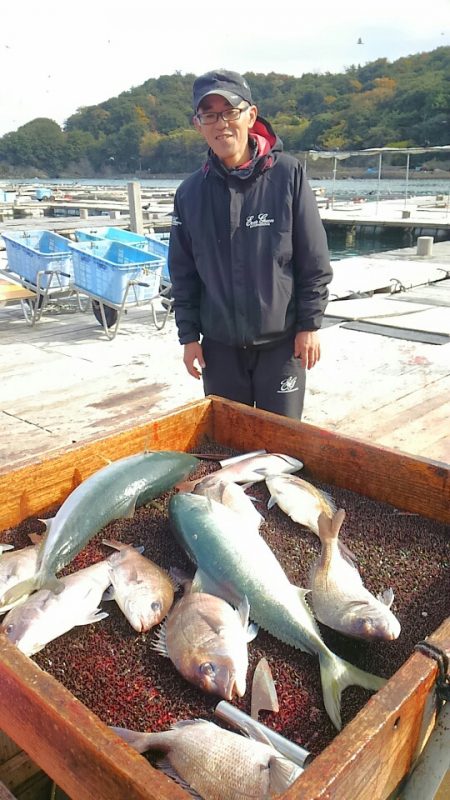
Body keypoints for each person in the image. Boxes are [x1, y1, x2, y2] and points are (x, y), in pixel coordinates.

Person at [168, 69, 333, 419]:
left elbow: (313, 260)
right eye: (209, 115)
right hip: (220, 349)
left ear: (251, 116)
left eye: (230, 111)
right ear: (198, 124)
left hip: (282, 345)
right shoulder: (189, 193)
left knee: (283, 446)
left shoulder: (288, 175)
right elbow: (183, 274)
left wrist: (309, 325)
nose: (221, 123)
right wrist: (188, 337)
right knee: (230, 444)